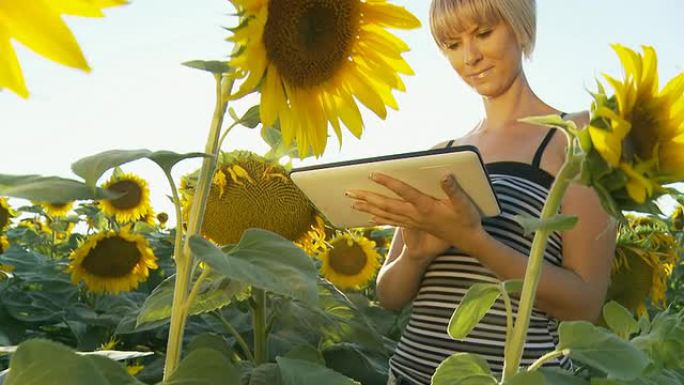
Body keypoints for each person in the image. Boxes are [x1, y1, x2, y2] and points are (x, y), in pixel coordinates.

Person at [345, 0, 617, 384]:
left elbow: (584, 305)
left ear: (520, 27)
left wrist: (473, 239)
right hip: (407, 375)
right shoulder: (441, 154)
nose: (470, 57)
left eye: (484, 33)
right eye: (452, 44)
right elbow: (389, 295)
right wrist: (417, 257)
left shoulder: (575, 137)